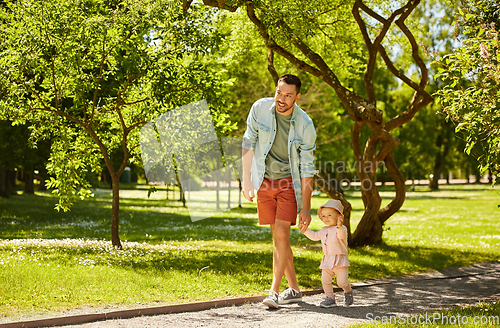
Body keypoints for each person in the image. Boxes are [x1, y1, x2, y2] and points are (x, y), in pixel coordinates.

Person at [241, 74, 317, 309]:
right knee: (278, 238)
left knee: (282, 234)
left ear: (297, 96)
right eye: (279, 93)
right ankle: (293, 289)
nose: (281, 99)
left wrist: (306, 206)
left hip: (288, 183)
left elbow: (307, 166)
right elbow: (248, 142)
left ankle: (273, 291)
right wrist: (246, 180)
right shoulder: (260, 108)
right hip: (264, 180)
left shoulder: (304, 124)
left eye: (288, 95)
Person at [302, 199, 353, 307]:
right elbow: (315, 236)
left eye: (329, 215)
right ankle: (330, 298)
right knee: (325, 280)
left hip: (340, 260)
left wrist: (339, 225)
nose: (326, 218)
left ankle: (348, 291)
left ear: (339, 215)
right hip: (327, 260)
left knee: (342, 282)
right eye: (323, 216)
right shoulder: (324, 229)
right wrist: (305, 230)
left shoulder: (342, 228)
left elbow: (341, 236)